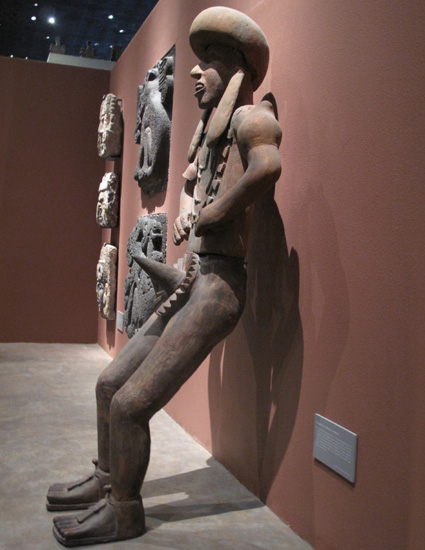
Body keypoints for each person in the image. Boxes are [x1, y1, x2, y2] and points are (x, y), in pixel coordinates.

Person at [48, 6, 282, 546]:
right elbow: (193, 184)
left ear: (237, 69)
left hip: (219, 289)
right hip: (193, 278)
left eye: (210, 60)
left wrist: (219, 211)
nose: (196, 72)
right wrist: (186, 211)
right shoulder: (211, 134)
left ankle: (125, 510)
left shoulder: (251, 119)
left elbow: (268, 167)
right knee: (109, 385)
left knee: (131, 405)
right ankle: (108, 478)